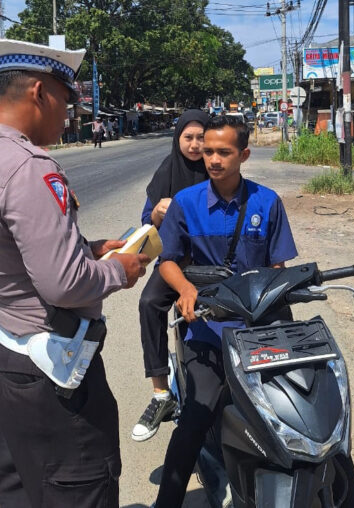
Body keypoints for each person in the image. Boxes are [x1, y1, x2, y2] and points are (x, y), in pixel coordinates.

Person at [0, 39, 149, 508]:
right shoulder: (31, 168)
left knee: (23, 487)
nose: (71, 113)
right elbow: (65, 285)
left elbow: (9, 255)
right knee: (79, 489)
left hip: (3, 357)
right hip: (51, 372)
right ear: (39, 92)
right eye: (68, 98)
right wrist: (119, 270)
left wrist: (88, 248)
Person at [153, 115, 299, 507]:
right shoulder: (186, 203)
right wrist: (184, 288)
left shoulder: (267, 202)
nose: (213, 159)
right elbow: (166, 260)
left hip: (259, 328)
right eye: (208, 151)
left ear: (244, 154)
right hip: (208, 329)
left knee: (297, 406)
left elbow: (278, 267)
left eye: (224, 152)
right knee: (195, 422)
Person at [131, 109, 210, 442]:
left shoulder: (217, 165)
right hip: (173, 262)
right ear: (177, 139)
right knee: (149, 303)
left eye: (201, 137)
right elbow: (146, 219)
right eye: (188, 138)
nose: (194, 145)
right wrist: (157, 213)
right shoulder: (167, 170)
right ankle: (162, 392)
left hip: (213, 260)